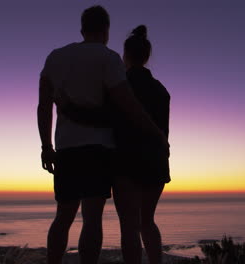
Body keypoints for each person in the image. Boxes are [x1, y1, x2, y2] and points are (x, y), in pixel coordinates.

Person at [37, 6, 168, 264]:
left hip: (65, 148)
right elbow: (126, 104)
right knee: (92, 219)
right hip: (99, 150)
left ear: (82, 29)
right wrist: (158, 136)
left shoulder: (55, 57)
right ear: (106, 30)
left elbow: (43, 106)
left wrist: (46, 146)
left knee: (62, 217)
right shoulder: (109, 59)